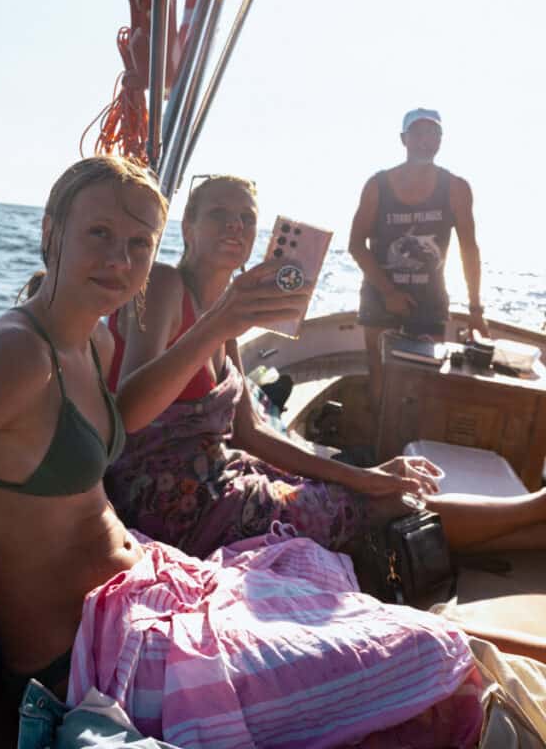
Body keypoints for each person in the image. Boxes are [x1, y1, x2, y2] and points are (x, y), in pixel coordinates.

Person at [0, 157, 486, 748]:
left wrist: (220, 325)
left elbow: (123, 427)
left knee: (342, 593)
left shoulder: (91, 342)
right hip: (88, 654)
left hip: (150, 587)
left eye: (137, 242)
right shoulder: (16, 355)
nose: (121, 260)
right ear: (51, 234)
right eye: (99, 233)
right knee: (437, 658)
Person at [106, 173, 546, 561]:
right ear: (188, 228)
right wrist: (219, 325)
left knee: (374, 492)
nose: (235, 224)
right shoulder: (163, 285)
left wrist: (363, 475)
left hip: (220, 473)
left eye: (247, 216)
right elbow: (126, 414)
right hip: (170, 502)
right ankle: (534, 510)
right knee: (390, 507)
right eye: (218, 213)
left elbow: (250, 433)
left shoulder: (227, 315)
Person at [349, 107, 489, 407]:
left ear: (441, 140)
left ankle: (413, 447)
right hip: (380, 294)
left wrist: (476, 309)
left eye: (434, 133)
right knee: (379, 372)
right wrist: (389, 292)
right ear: (403, 139)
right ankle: (380, 446)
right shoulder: (378, 185)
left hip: (429, 300)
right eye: (418, 132)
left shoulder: (456, 188)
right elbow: (356, 244)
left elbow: (469, 249)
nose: (426, 139)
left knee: (423, 381)